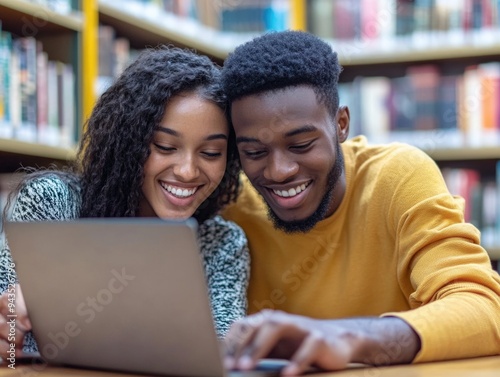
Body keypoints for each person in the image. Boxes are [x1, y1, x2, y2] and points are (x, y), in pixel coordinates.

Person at [220, 30, 500, 375]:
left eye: (302, 145)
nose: (278, 172)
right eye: (254, 152)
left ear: (341, 124)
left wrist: (349, 337)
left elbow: (483, 309)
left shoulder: (396, 177)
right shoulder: (231, 202)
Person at [0, 46, 250, 358]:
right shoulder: (53, 204)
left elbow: (220, 354)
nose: (187, 171)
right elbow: (10, 341)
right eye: (164, 146)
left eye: (211, 153)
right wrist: (10, 323)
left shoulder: (221, 243)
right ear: (129, 141)